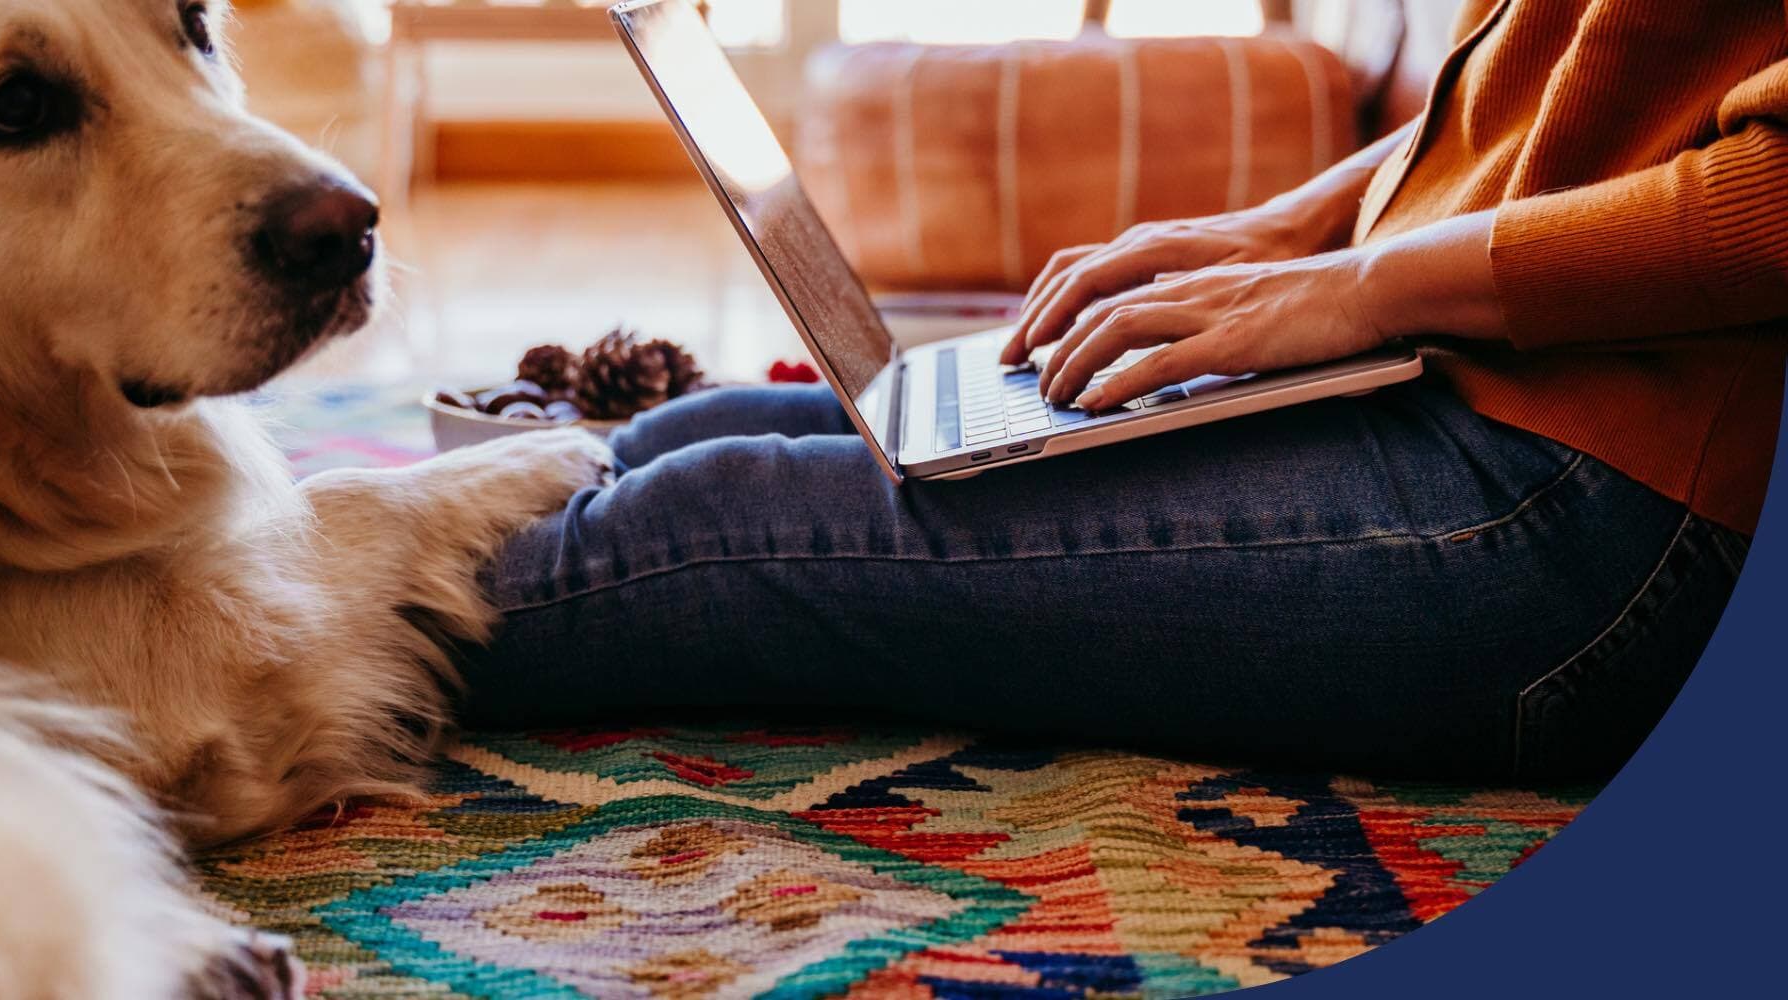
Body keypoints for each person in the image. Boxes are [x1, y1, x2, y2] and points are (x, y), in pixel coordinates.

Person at [460, 0, 1779, 780]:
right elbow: (1546, 100)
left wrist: (1362, 285)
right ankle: (374, 539)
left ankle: (318, 633)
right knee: (707, 428)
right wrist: (1291, 229)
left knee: (721, 518)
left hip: (1607, 514)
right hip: (1466, 374)